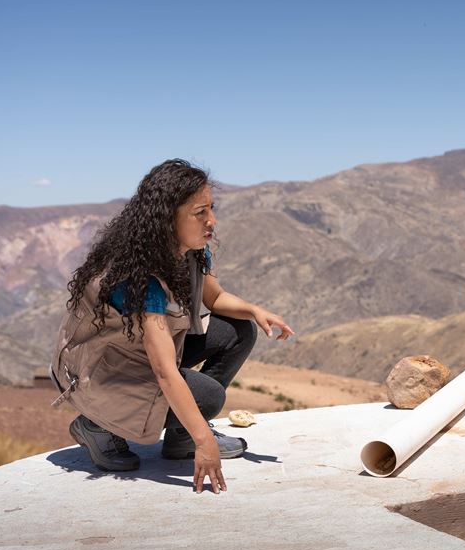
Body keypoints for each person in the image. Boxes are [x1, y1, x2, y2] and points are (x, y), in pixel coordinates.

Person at [52, 159, 294, 494]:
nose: (212, 221)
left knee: (239, 329)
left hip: (136, 359)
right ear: (168, 219)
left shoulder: (191, 252)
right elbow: (165, 372)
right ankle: (97, 425)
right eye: (199, 213)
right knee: (208, 396)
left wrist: (255, 310)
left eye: (211, 209)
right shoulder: (142, 279)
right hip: (103, 376)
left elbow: (216, 298)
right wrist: (205, 441)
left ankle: (181, 436)